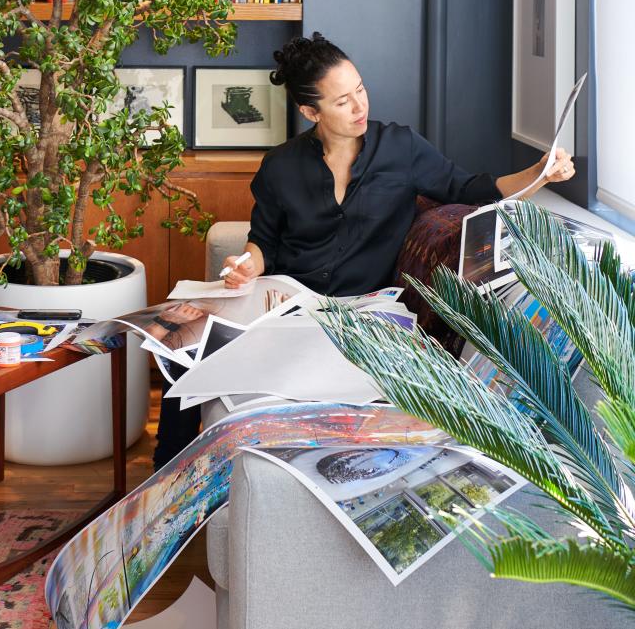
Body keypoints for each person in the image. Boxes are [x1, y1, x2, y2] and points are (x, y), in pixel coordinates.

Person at [153, 31, 574, 469]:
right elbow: (263, 242)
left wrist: (539, 172)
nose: (360, 107)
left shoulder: (401, 148)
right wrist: (246, 265)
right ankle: (169, 468)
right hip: (284, 299)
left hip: (362, 312)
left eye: (361, 91)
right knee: (175, 339)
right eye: (342, 101)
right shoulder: (281, 165)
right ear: (309, 111)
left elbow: (474, 190)